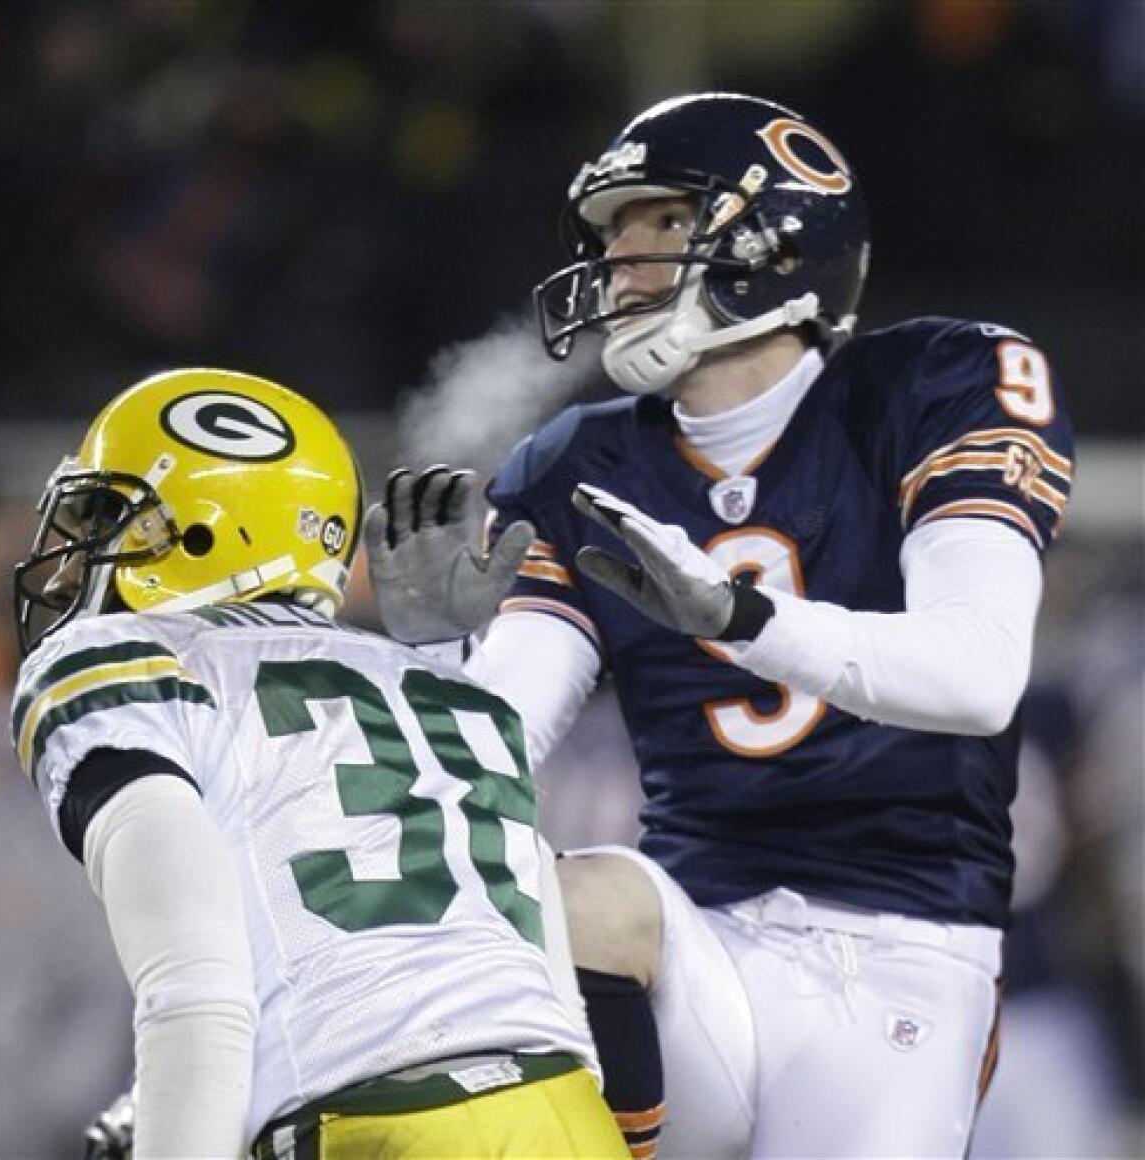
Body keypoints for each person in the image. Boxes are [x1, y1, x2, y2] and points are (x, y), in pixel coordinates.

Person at [364, 92, 1075, 1159]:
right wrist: (427, 658)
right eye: (610, 234)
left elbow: (976, 674)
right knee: (559, 898)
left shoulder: (934, 384)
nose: (619, 261)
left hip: (903, 949)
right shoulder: (579, 462)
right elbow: (488, 756)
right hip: (697, 940)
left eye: (656, 221)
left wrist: (739, 618)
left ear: (775, 236)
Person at [9, 367, 629, 1160]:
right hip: (564, 1114)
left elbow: (196, 1000)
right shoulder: (441, 683)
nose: (71, 560)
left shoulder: (128, 662)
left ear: (203, 529)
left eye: (110, 515)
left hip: (373, 1131)